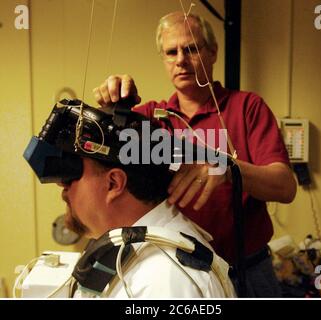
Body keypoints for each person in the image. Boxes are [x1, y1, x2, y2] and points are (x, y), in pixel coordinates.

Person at [93, 11, 297, 297]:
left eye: (191, 49)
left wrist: (226, 168)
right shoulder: (152, 119)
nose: (181, 60)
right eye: (171, 52)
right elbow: (100, 158)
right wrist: (115, 108)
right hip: (181, 271)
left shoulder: (247, 107)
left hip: (250, 270)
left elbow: (285, 187)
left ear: (212, 53)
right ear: (163, 59)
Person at [23, 101, 235, 298]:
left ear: (114, 183)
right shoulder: (127, 246)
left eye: (70, 176)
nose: (61, 187)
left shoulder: (166, 281)